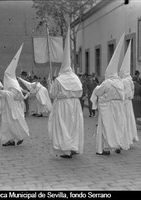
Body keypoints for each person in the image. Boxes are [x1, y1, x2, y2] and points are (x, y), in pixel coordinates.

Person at [48, 25, 84, 159]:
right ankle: (73, 146)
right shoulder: (76, 78)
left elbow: (52, 94)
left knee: (64, 126)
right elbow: (80, 92)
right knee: (73, 126)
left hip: (62, 105)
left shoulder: (59, 79)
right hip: (75, 105)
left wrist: (51, 86)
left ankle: (66, 149)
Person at [91, 34, 130, 155]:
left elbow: (98, 92)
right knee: (118, 126)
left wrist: (99, 91)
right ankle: (118, 144)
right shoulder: (120, 82)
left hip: (107, 108)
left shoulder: (107, 83)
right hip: (118, 108)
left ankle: (105, 148)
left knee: (106, 128)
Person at [0, 44, 30, 146]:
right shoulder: (12, 81)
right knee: (7, 124)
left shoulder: (12, 82)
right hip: (9, 107)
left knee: (13, 123)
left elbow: (13, 94)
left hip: (13, 108)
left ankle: (20, 136)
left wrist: (2, 92)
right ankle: (9, 140)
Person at [119, 40, 138, 145]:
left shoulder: (124, 81)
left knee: (125, 120)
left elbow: (123, 93)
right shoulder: (130, 80)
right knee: (130, 120)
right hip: (129, 102)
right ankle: (130, 137)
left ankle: (125, 138)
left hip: (124, 102)